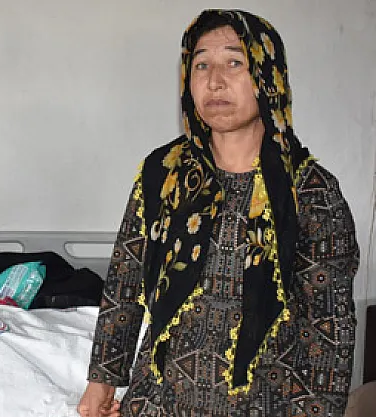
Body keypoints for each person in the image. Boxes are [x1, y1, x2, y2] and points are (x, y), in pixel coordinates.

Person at [79, 9, 358, 417]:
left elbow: (329, 330)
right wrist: (100, 384)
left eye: (234, 63)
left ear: (267, 76)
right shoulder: (163, 174)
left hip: (266, 405)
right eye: (201, 65)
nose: (214, 81)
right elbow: (124, 283)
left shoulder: (310, 191)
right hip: (157, 402)